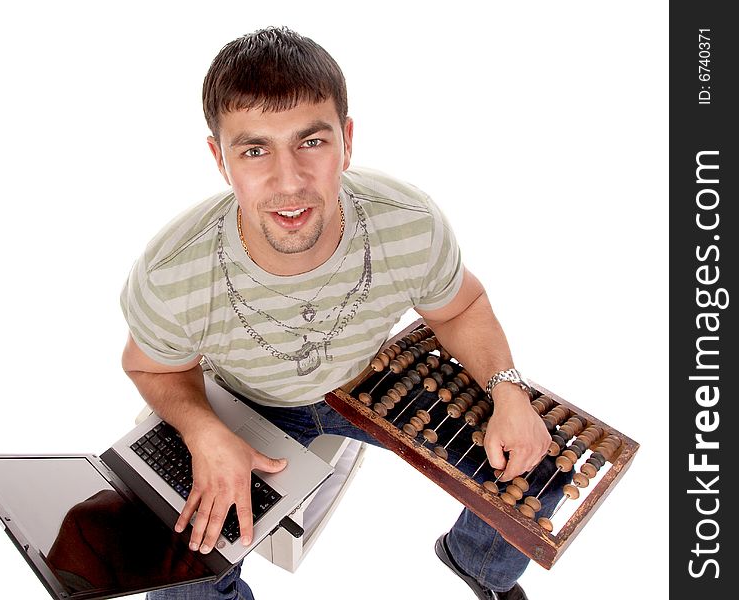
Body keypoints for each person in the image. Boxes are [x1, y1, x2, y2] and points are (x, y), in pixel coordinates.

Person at [120, 26, 566, 600]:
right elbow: (150, 366)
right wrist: (205, 432)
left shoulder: (406, 221)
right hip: (247, 401)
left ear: (347, 140)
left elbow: (462, 306)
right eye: (255, 150)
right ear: (219, 158)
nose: (289, 181)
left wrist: (507, 391)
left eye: (312, 142)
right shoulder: (173, 270)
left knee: (540, 468)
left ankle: (477, 564)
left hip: (369, 380)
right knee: (182, 559)